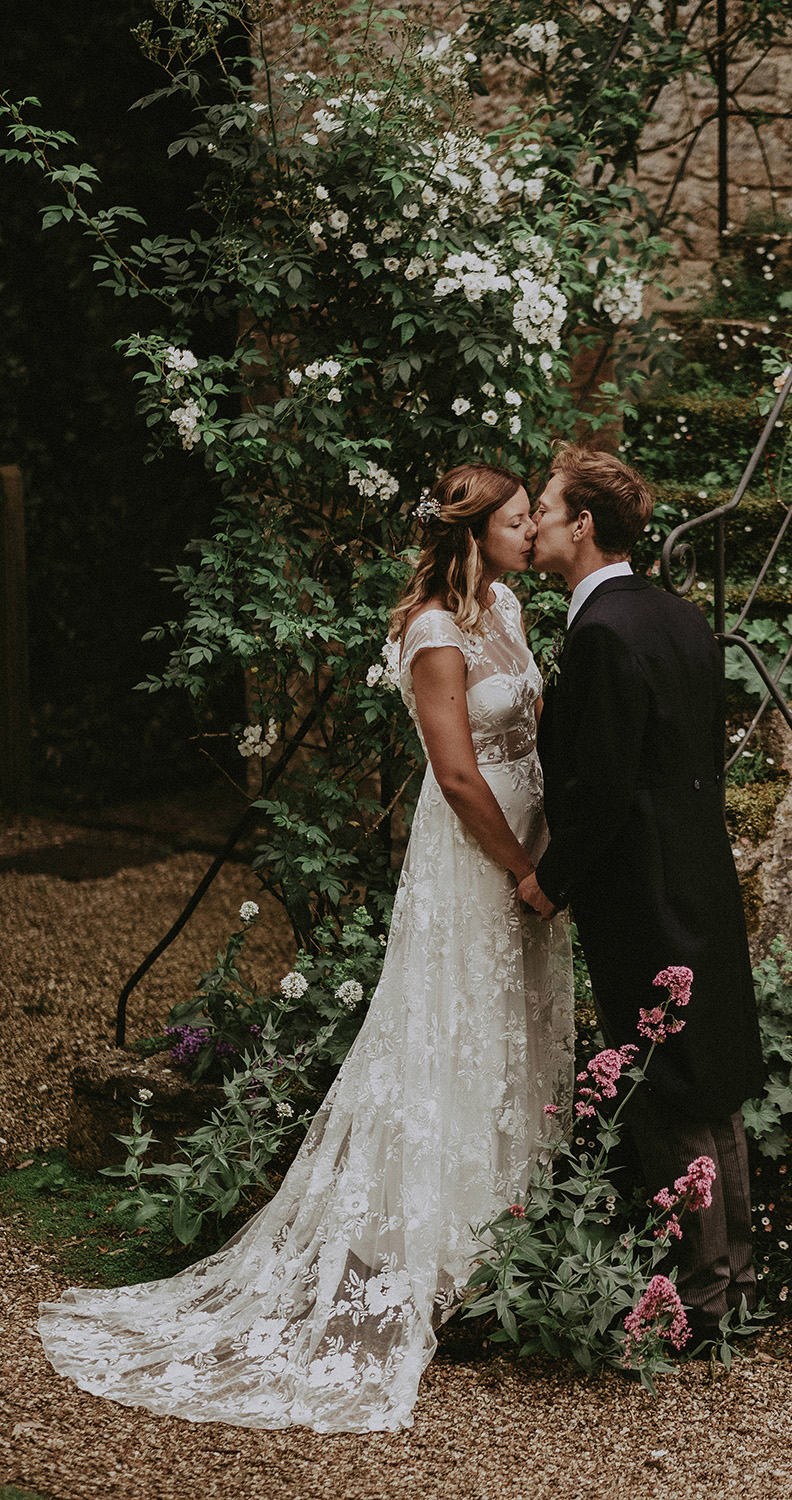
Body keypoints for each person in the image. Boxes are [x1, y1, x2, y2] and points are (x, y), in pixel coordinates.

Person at [38, 464, 574, 1433]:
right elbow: (455, 772)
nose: (533, 525)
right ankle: (428, 1251)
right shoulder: (434, 632)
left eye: (533, 513)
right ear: (471, 531)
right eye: (517, 515)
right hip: (475, 859)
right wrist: (519, 871)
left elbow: (530, 728)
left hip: (531, 840)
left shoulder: (506, 605)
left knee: (513, 1028)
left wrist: (555, 842)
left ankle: (505, 1242)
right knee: (449, 1030)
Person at [517, 444, 767, 1346]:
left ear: (582, 525)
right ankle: (733, 1285)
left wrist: (551, 882)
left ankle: (700, 1304)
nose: (536, 522)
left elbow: (602, 788)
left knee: (660, 1080)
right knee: (711, 1081)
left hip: (645, 889)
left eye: (544, 508)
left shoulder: (601, 634)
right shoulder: (677, 615)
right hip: (699, 868)